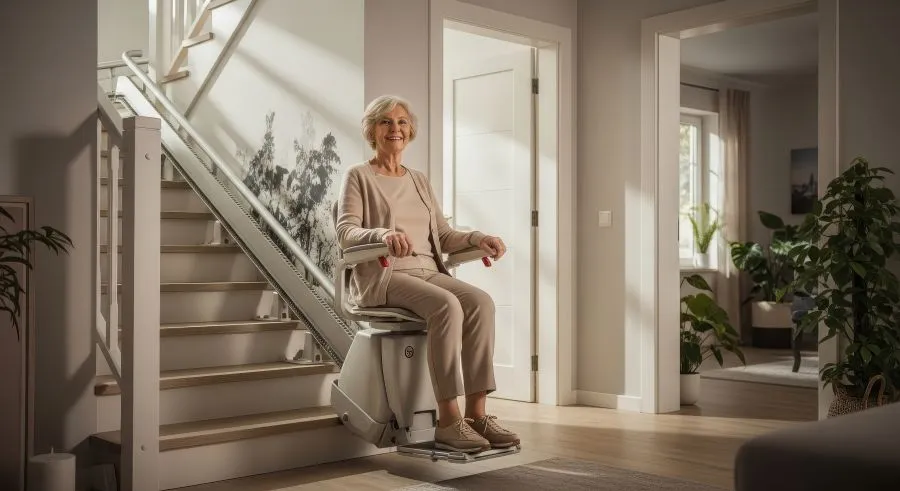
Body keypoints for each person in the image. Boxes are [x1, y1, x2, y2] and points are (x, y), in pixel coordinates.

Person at [335, 95, 520, 453]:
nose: (396, 128)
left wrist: (477, 238)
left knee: (481, 302)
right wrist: (382, 236)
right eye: (386, 121)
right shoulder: (358, 176)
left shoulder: (418, 180)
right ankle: (449, 421)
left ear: (410, 131)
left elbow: (444, 236)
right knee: (446, 305)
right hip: (386, 275)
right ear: (372, 130)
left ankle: (477, 415)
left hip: (428, 270)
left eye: (402, 122)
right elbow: (346, 232)